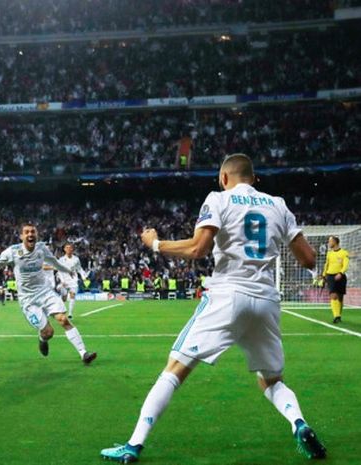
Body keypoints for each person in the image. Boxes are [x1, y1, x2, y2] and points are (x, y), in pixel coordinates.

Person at [100, 154, 326, 462]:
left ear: (223, 178)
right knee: (271, 380)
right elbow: (310, 260)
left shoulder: (218, 199)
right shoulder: (278, 204)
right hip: (266, 300)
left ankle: (134, 444)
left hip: (227, 296)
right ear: (254, 178)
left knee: (176, 368)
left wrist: (155, 244)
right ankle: (299, 423)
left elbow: (198, 248)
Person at [0, 223, 97, 364]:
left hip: (45, 292)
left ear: (36, 235)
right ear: (21, 236)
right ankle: (42, 339)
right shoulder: (13, 252)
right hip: (28, 300)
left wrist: (68, 270)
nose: (30, 234)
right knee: (48, 332)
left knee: (64, 320)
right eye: (27, 232)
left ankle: (84, 353)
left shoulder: (41, 248)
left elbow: (54, 262)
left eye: (33, 232)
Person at [56, 243, 88, 319]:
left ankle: (70, 314)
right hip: (64, 280)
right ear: (64, 249)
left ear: (72, 249)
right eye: (67, 248)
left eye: (70, 248)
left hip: (73, 280)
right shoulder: (61, 259)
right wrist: (62, 280)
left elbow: (79, 268)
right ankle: (60, 310)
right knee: (64, 297)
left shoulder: (76, 259)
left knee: (72, 295)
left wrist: (83, 276)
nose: (68, 249)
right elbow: (59, 270)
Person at [322, 235, 349, 324]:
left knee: (340, 297)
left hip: (341, 276)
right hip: (330, 276)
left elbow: (346, 264)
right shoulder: (329, 253)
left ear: (335, 242)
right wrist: (323, 274)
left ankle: (339, 315)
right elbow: (327, 264)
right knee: (333, 295)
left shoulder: (344, 253)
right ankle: (336, 316)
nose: (329, 243)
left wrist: (341, 273)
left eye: (330, 241)